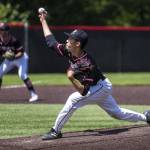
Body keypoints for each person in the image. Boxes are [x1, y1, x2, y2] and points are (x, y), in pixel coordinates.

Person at [38, 11, 150, 140]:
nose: (67, 40)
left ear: (77, 44)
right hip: (100, 86)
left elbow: (84, 91)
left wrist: (71, 78)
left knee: (73, 99)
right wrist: (43, 21)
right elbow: (51, 42)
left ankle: (55, 131)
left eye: (70, 39)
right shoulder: (68, 51)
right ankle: (146, 117)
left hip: (100, 87)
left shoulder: (88, 64)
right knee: (116, 113)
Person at [0, 22, 38, 102]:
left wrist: (13, 57)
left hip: (21, 59)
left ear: (7, 31)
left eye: (2, 29)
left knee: (22, 75)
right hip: (9, 60)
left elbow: (21, 52)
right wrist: (6, 56)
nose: (0, 31)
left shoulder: (14, 40)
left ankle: (34, 94)